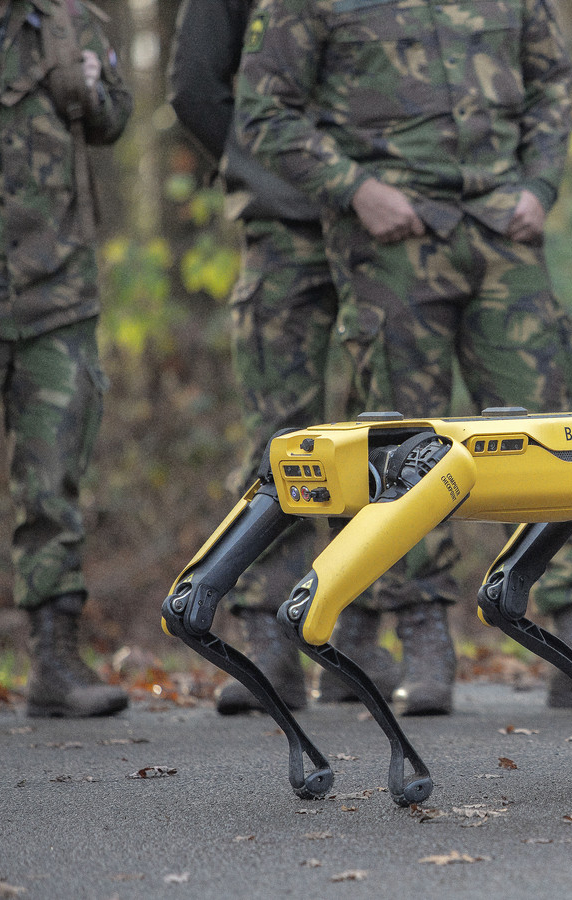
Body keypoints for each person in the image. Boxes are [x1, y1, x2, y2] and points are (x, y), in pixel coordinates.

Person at [234, 0, 572, 710]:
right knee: (407, 446)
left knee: (549, 434)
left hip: (502, 227)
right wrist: (355, 190)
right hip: (392, 239)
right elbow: (263, 111)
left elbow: (554, 80)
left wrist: (540, 182)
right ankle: (423, 634)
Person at [168, 0, 409, 717]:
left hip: (387, 218)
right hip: (288, 225)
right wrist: (259, 166)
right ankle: (275, 632)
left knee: (383, 434)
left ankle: (350, 630)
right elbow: (194, 88)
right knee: (286, 439)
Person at [0, 0, 130, 716]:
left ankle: (56, 664)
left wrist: (94, 87)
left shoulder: (73, 19)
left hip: (56, 292)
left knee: (54, 483)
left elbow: (114, 120)